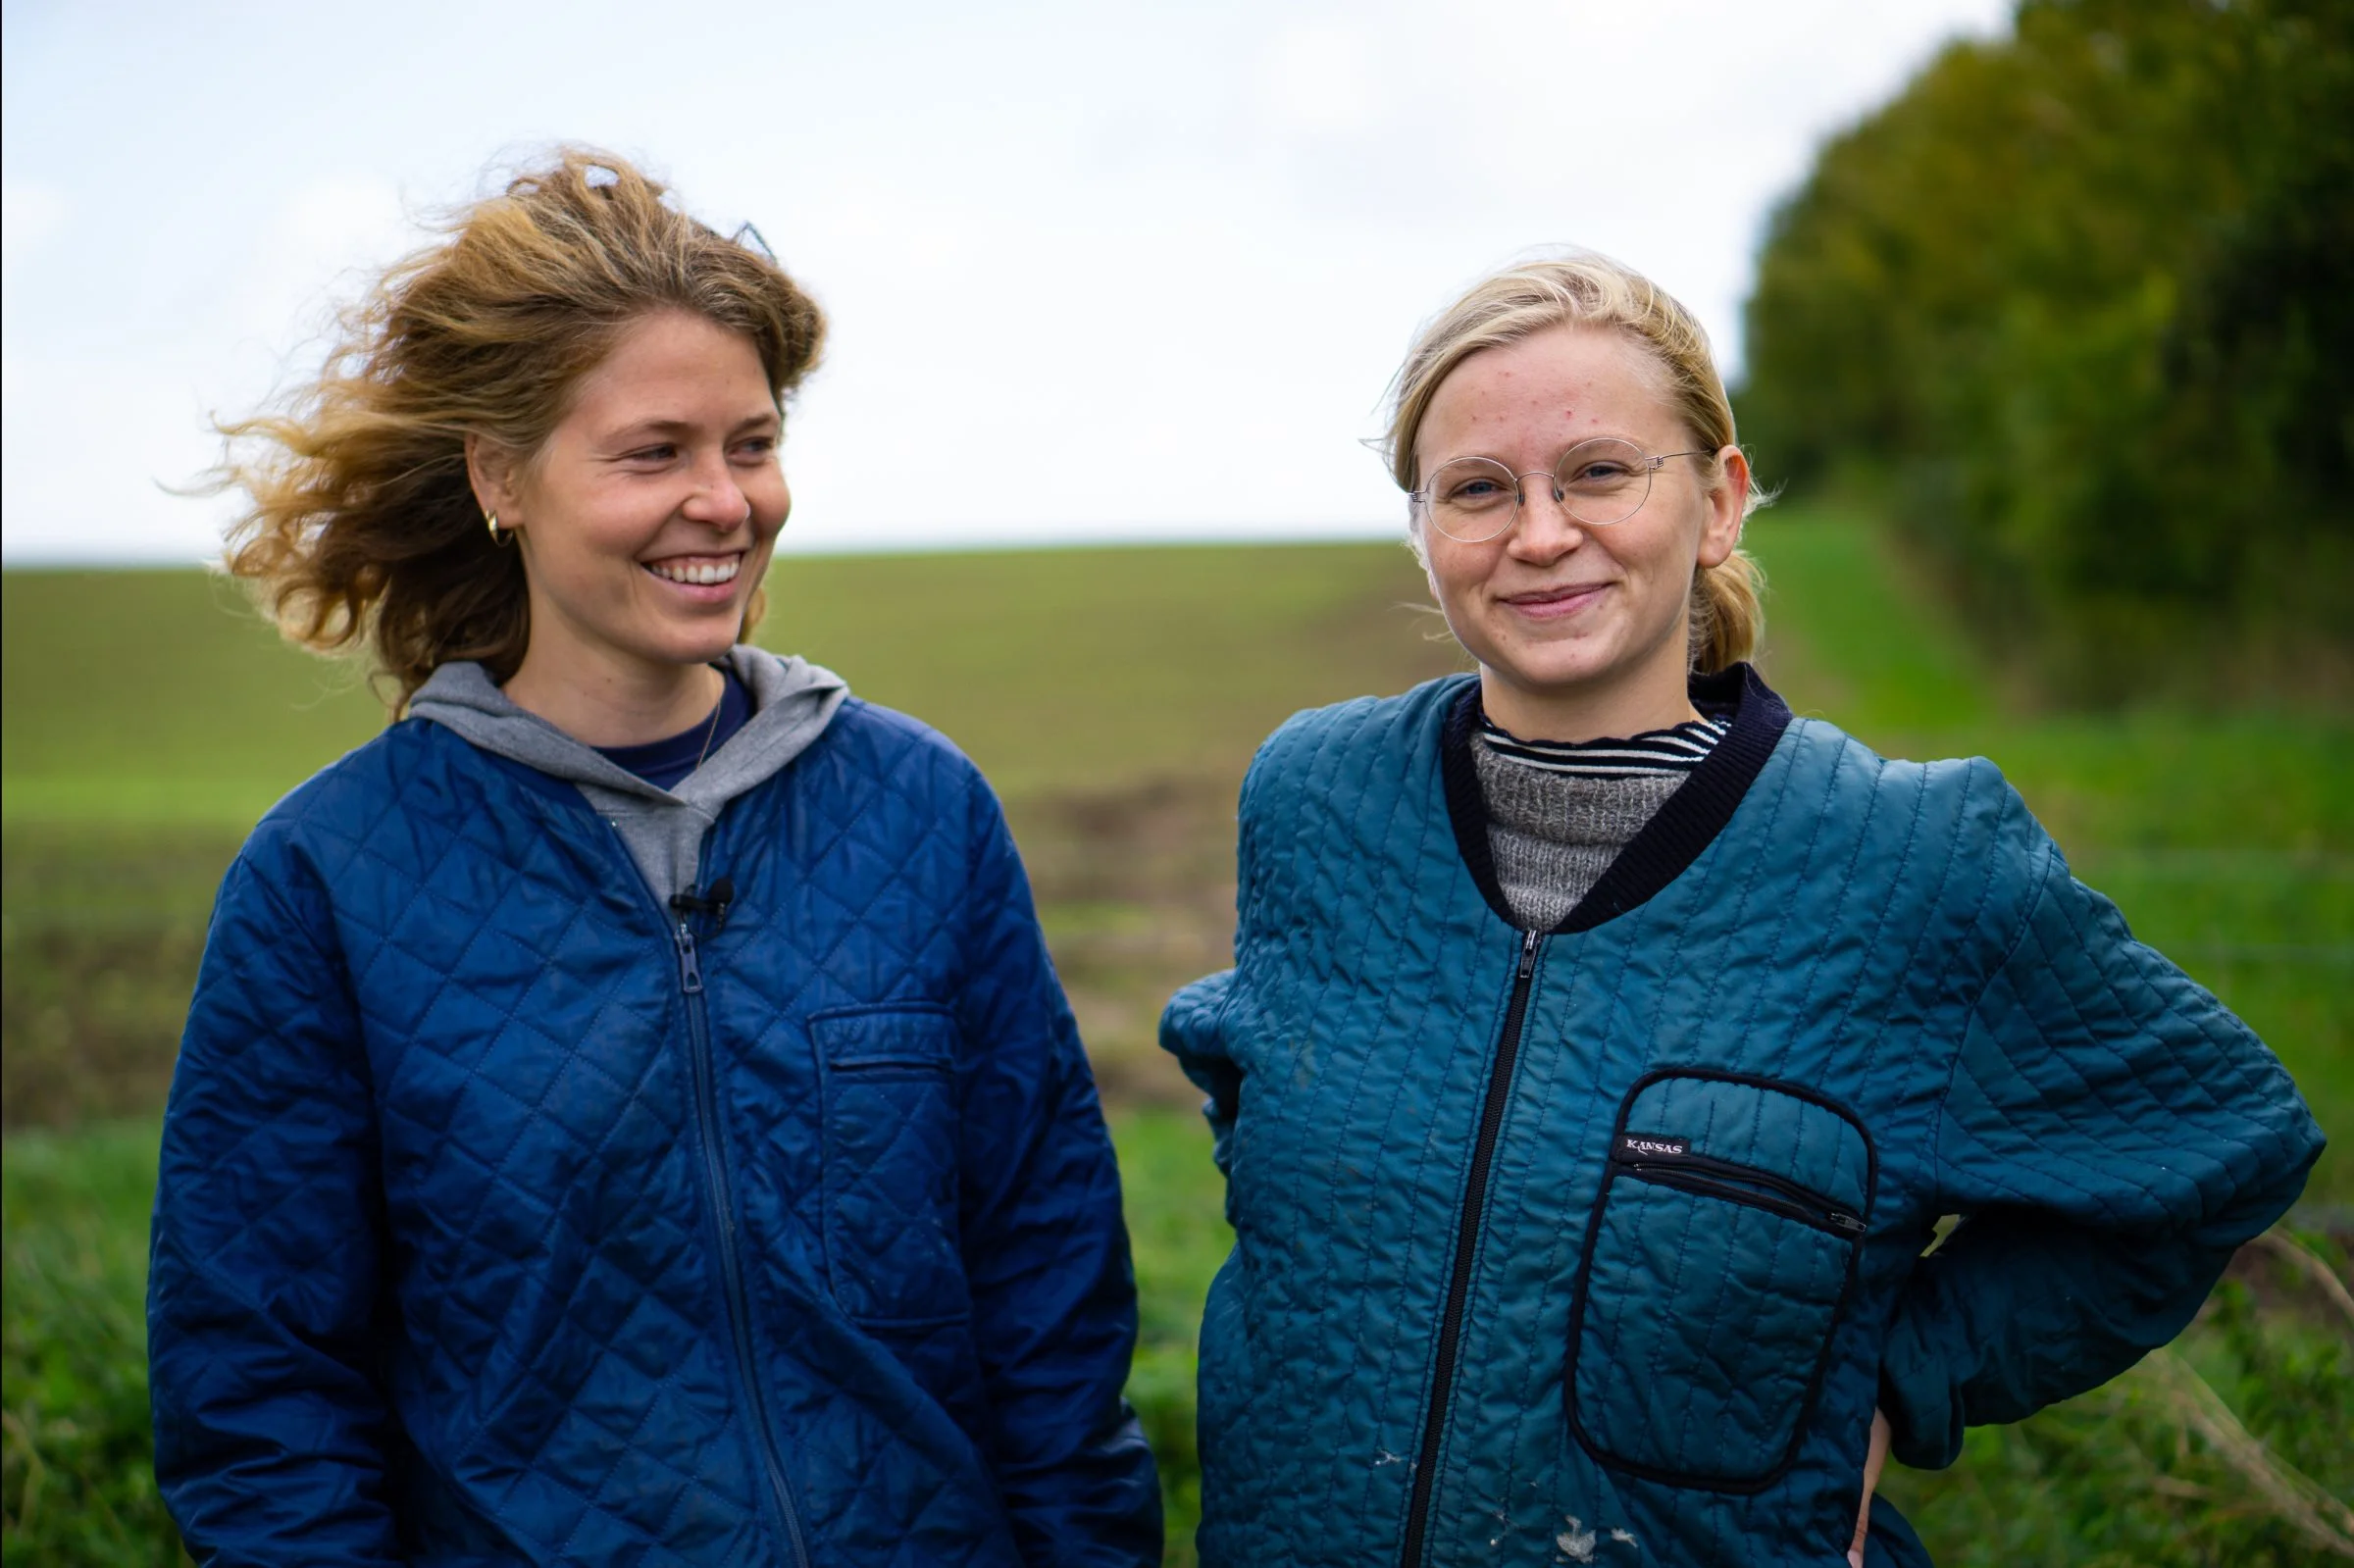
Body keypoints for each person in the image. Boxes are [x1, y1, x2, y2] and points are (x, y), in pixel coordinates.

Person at [1159, 253, 2323, 1567]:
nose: (1540, 532)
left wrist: (1901, 1376)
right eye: (1477, 488)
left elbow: (2213, 1140)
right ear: (1425, 529)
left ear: (1716, 503)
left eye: (1599, 471)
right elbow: (1254, 1089)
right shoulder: (1315, 795)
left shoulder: (1908, 857)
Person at [147, 149, 1160, 1566]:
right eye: (654, 452)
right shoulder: (329, 876)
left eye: (752, 443)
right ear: (501, 477)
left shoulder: (922, 809)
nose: (726, 500)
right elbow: (260, 1394)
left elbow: (1047, 1290)